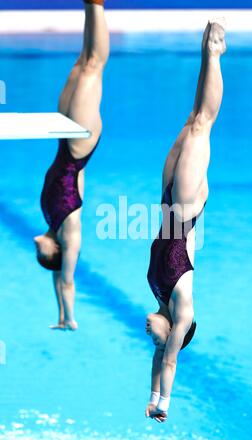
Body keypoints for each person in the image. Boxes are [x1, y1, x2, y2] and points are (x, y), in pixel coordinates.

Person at [146, 19, 226, 422]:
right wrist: (162, 405)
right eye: (161, 341)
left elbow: (158, 361)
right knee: (202, 125)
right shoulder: (183, 309)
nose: (152, 340)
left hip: (168, 203)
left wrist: (148, 393)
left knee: (188, 120)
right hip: (186, 210)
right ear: (176, 332)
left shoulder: (159, 294)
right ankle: (214, 53)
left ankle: (205, 55)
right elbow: (170, 362)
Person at [34, 0, 109, 330]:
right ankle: (97, 6)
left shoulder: (51, 220)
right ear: (55, 251)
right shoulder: (70, 232)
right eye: (42, 255)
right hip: (79, 145)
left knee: (81, 63)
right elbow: (65, 280)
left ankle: (88, 5)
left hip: (65, 139)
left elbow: (54, 279)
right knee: (94, 65)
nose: (36, 248)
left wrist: (58, 315)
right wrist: (69, 318)